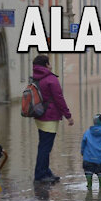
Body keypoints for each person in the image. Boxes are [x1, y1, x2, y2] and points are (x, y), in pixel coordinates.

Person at [33, 55, 74, 183]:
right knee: (45, 148)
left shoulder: (35, 78)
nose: (51, 65)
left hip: (39, 116)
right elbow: (59, 98)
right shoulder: (51, 79)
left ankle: (45, 171)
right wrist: (68, 116)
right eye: (49, 63)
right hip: (49, 118)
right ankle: (40, 175)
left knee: (43, 145)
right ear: (46, 65)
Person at [81, 114, 101, 188]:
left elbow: (83, 143)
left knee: (89, 183)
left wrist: (82, 152)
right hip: (100, 161)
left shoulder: (87, 133)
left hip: (88, 160)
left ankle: (89, 192)